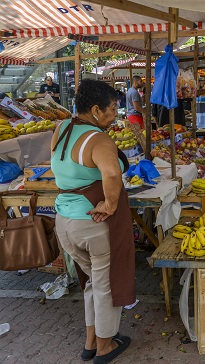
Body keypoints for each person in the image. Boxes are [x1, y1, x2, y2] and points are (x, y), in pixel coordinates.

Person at [51, 79, 134, 364]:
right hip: (92, 224)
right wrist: (110, 204)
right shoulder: (98, 139)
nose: (115, 115)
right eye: (112, 109)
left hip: (65, 222)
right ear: (97, 109)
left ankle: (90, 342)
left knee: (90, 282)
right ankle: (104, 346)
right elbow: (112, 174)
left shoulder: (61, 129)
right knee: (105, 284)